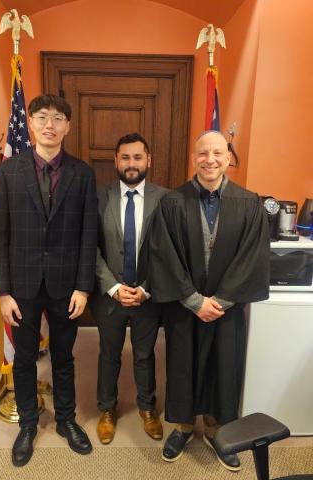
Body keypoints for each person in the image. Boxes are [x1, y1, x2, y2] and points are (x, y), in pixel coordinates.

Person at [149, 130, 270, 471]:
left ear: (229, 157)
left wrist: (222, 300)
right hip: (186, 307)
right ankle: (184, 427)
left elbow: (252, 258)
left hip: (226, 310)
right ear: (194, 158)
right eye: (203, 153)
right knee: (182, 363)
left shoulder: (250, 204)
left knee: (224, 367)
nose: (210, 160)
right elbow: (164, 256)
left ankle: (218, 430)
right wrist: (192, 299)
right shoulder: (172, 203)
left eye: (218, 153)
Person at [0, 94, 97, 467]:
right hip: (21, 286)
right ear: (30, 124)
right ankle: (29, 425)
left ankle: (66, 421)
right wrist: (2, 292)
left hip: (67, 286)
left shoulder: (83, 174)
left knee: (65, 357)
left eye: (57, 118)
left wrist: (84, 286)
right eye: (41, 117)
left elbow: (88, 235)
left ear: (68, 126)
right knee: (23, 359)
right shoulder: (9, 171)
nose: (49, 124)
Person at [89, 133, 168, 444]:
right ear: (116, 161)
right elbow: (90, 248)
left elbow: (169, 252)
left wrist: (147, 288)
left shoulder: (166, 200)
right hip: (110, 297)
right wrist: (111, 286)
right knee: (108, 353)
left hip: (148, 296)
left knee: (144, 354)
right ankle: (107, 409)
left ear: (148, 160)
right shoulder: (97, 198)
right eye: (125, 158)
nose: (131, 164)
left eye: (138, 157)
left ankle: (147, 408)